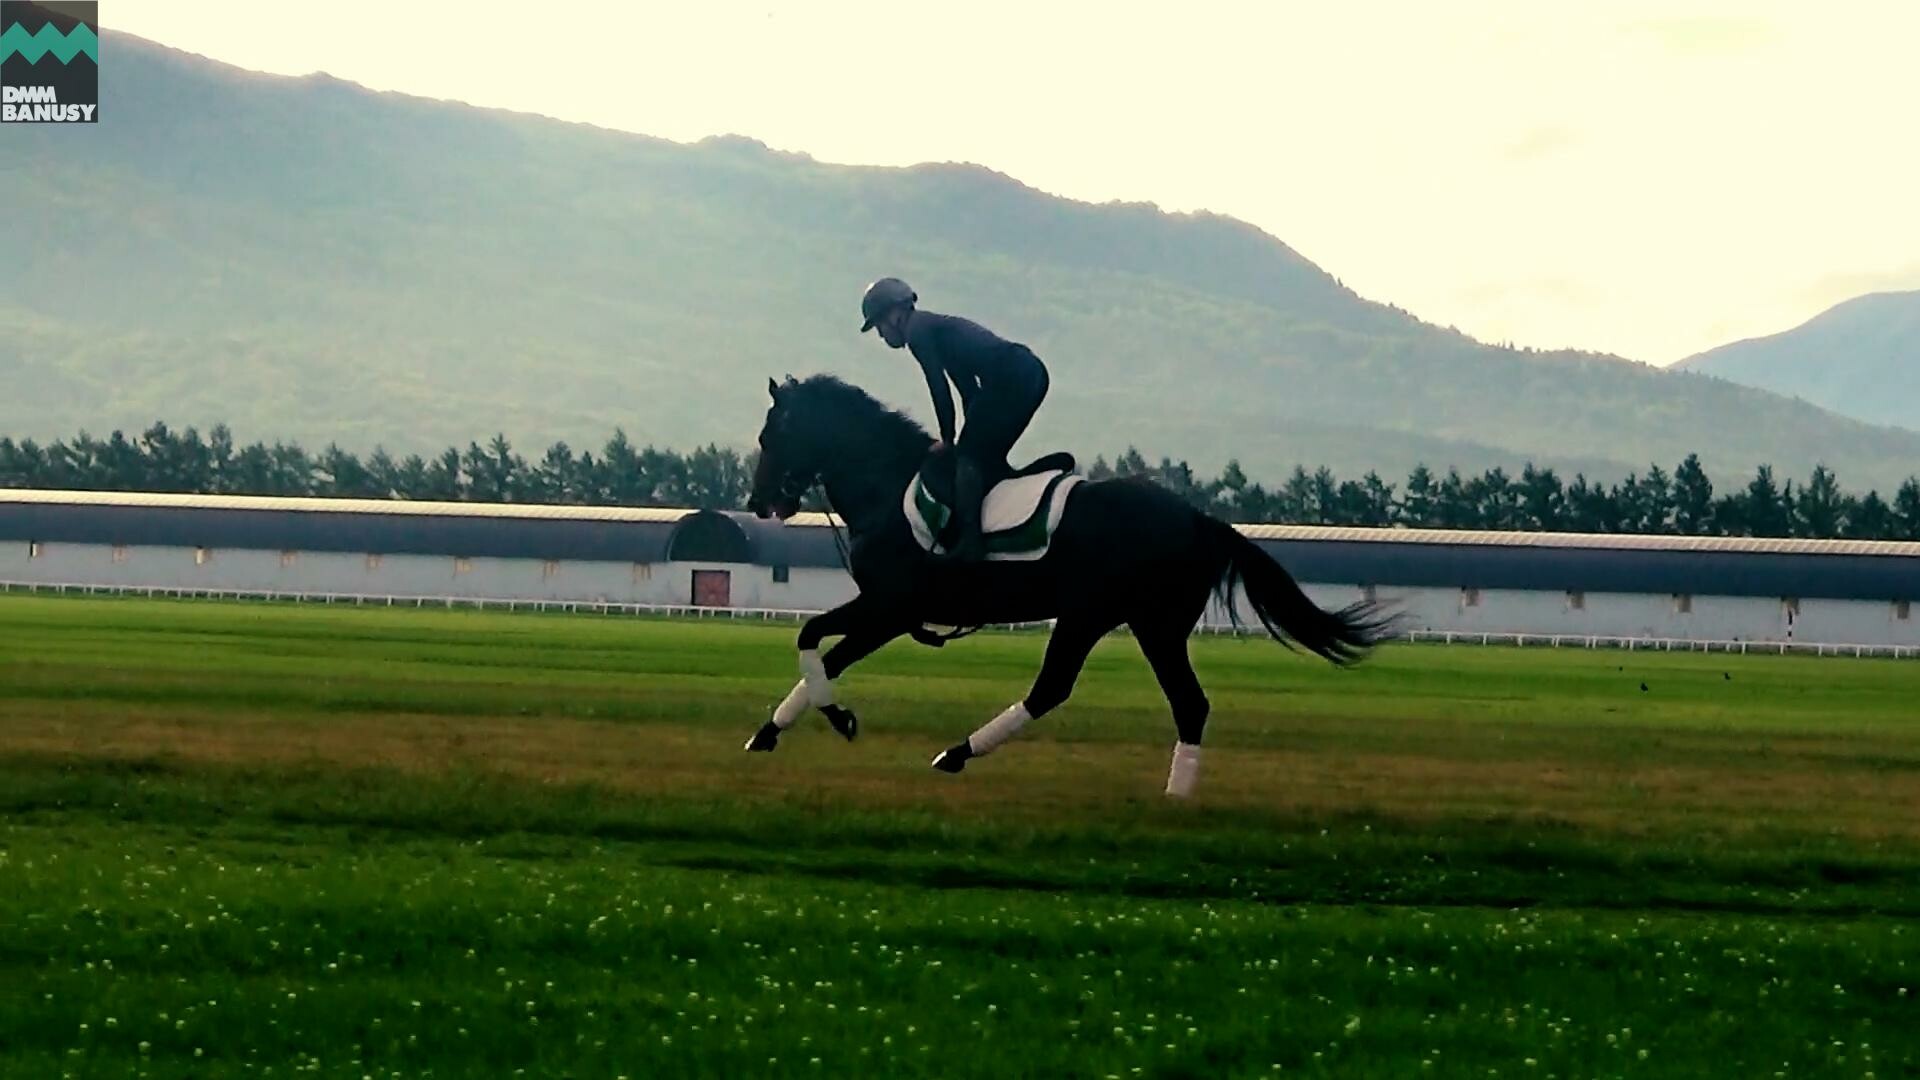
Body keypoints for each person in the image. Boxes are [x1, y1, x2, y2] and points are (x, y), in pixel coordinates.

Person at [860, 277, 1050, 563]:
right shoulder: (934, 329)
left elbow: (938, 386)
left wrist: (949, 440)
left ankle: (970, 543)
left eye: (879, 326)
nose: (881, 336)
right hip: (1030, 372)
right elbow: (967, 390)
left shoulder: (917, 331)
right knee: (982, 452)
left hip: (1011, 378)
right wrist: (963, 434)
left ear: (895, 315)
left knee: (969, 455)